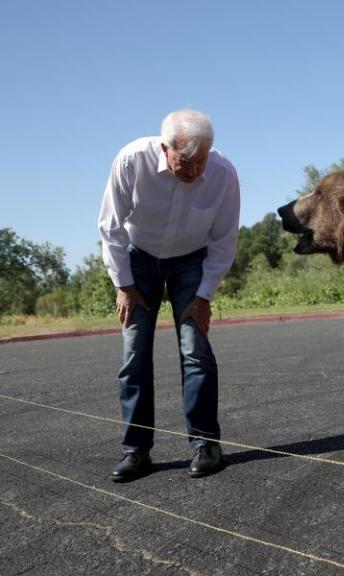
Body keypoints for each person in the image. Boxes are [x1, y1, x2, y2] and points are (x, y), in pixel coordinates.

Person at [97, 109, 240, 482]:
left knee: (195, 349)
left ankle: (206, 444)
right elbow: (111, 229)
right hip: (139, 261)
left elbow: (225, 241)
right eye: (185, 161)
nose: (195, 170)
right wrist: (124, 286)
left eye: (202, 160)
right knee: (134, 353)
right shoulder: (131, 161)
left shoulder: (224, 174)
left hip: (191, 262)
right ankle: (136, 451)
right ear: (164, 148)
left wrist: (204, 295)